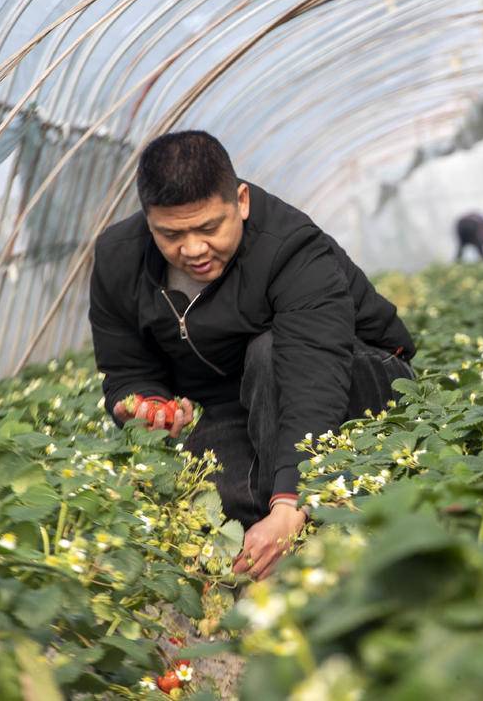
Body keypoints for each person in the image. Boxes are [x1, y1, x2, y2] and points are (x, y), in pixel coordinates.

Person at [89, 131, 416, 580]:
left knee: (271, 353)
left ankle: (307, 520)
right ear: (148, 221)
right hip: (238, 403)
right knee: (212, 506)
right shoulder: (117, 258)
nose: (193, 249)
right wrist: (146, 404)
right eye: (171, 234)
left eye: (208, 228)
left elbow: (313, 377)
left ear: (240, 201)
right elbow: (125, 372)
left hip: (358, 376)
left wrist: (289, 502)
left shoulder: (291, 247)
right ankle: (289, 518)